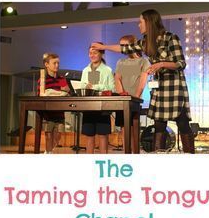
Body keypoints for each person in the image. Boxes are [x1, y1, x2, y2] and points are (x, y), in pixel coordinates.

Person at [92, 9, 195, 153]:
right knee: (159, 125)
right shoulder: (146, 42)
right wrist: (104, 47)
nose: (138, 24)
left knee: (182, 122)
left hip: (174, 87)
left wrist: (161, 64)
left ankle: (191, 157)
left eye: (140, 22)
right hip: (160, 89)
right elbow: (124, 48)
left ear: (149, 22)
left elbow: (181, 63)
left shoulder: (171, 38)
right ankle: (158, 158)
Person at [115, 34, 150, 153]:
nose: (123, 48)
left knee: (134, 128)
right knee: (124, 129)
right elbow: (117, 79)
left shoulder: (143, 61)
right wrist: (121, 94)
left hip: (134, 100)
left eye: (125, 45)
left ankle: (135, 154)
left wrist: (136, 97)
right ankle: (126, 154)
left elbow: (142, 81)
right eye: (121, 46)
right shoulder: (121, 62)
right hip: (123, 100)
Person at [81, 44, 115, 153]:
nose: (92, 55)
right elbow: (83, 85)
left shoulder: (107, 70)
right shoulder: (85, 70)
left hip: (102, 107)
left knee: (102, 135)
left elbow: (112, 88)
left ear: (101, 54)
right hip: (89, 106)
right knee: (89, 136)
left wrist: (97, 87)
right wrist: (84, 87)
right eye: (90, 53)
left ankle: (103, 163)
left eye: (95, 53)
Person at [37, 53, 70, 154]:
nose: (57, 65)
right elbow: (41, 94)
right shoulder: (43, 80)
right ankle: (48, 153)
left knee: (57, 137)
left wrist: (65, 91)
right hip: (47, 114)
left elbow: (67, 93)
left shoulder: (62, 79)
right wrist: (59, 90)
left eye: (58, 63)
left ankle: (49, 151)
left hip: (60, 113)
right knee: (48, 136)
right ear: (46, 64)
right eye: (54, 63)